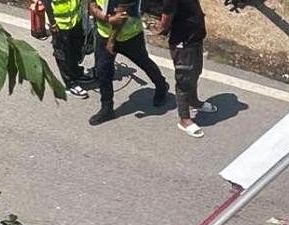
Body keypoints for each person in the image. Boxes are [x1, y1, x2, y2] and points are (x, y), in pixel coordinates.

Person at [88, 0, 170, 126]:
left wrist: (111, 41)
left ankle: (161, 86)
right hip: (104, 34)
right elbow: (91, 4)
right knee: (102, 71)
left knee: (144, 63)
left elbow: (121, 17)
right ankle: (107, 108)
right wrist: (106, 18)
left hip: (130, 36)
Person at [160, 0, 216, 138]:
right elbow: (166, 18)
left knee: (195, 73)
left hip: (195, 40)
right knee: (184, 81)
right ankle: (184, 119)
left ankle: (194, 101)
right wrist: (165, 30)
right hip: (183, 44)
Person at [44, 0, 93, 98]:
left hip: (75, 20)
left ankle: (77, 74)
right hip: (60, 24)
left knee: (75, 50)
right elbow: (46, 2)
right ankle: (70, 84)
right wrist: (53, 23)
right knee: (63, 54)